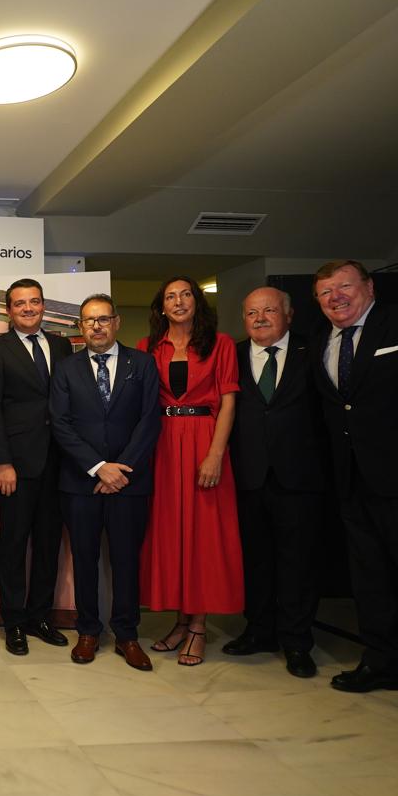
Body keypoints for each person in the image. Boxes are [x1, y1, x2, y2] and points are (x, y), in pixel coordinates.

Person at [310, 260, 398, 719]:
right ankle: (381, 663)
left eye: (344, 287)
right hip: (351, 482)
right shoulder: (321, 343)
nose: (336, 297)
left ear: (368, 287)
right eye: (325, 292)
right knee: (370, 580)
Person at [50, 295, 160, 671]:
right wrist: (98, 467)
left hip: (129, 483)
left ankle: (127, 635)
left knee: (126, 560)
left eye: (102, 319)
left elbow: (149, 421)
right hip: (80, 483)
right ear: (80, 327)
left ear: (116, 322)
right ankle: (88, 631)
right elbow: (60, 424)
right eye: (88, 320)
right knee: (84, 559)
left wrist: (120, 469)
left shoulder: (143, 364)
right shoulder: (65, 369)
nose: (96, 326)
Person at [138, 276, 243, 666]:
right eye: (170, 296)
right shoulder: (148, 348)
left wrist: (215, 454)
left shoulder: (221, 344)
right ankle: (181, 622)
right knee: (171, 533)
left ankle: (199, 625)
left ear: (197, 302)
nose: (179, 301)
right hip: (163, 445)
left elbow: (229, 402)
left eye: (185, 295)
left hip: (204, 441)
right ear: (161, 307)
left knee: (203, 535)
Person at [226, 287, 325, 678]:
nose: (260, 318)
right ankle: (260, 631)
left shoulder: (314, 351)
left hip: (300, 477)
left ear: (289, 314)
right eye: (252, 313)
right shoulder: (230, 356)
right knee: (256, 560)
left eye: (269, 311)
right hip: (248, 476)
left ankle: (297, 642)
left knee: (298, 563)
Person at [0, 278, 73, 656]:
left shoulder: (63, 345)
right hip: (15, 466)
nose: (28, 308)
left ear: (43, 305)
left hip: (59, 463)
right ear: (8, 310)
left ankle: (40, 617)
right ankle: (14, 622)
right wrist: (2, 462)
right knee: (15, 545)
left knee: (50, 545)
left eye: (34, 302)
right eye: (20, 303)